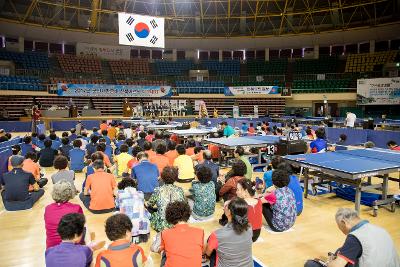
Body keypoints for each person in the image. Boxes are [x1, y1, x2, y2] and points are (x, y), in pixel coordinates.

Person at [304, 208, 400, 267]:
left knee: (311, 264)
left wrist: (329, 263)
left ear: (344, 223)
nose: (343, 232)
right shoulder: (380, 230)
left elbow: (336, 266)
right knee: (340, 251)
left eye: (340, 228)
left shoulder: (354, 238)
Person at [205, 197, 253, 267]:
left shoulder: (217, 235)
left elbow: (207, 253)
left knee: (212, 249)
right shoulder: (249, 227)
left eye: (226, 206)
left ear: (229, 212)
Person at [158, 201, 204, 267]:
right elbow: (201, 250)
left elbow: (160, 249)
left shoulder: (165, 233)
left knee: (164, 252)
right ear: (188, 214)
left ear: (169, 217)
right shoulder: (200, 232)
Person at [44, 181, 83, 249]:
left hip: (51, 248)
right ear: (70, 193)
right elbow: (81, 227)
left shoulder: (48, 208)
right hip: (72, 246)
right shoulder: (76, 208)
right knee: (84, 228)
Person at [146, 166, 185, 232]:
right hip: (176, 223)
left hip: (161, 225)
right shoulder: (180, 190)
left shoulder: (158, 190)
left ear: (162, 177)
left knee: (149, 210)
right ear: (175, 178)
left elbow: (149, 204)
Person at [115, 178, 151, 244]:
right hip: (143, 226)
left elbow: (117, 205)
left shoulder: (119, 193)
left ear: (121, 185)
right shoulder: (140, 193)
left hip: (130, 226)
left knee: (116, 214)